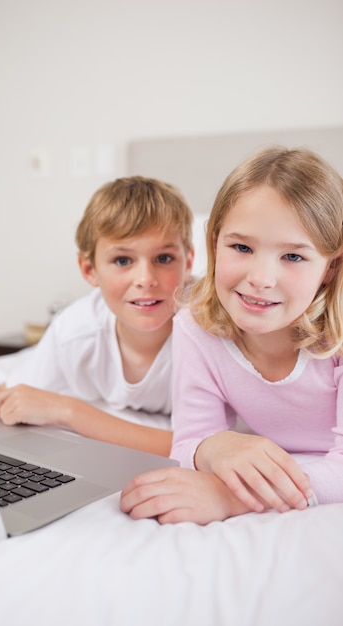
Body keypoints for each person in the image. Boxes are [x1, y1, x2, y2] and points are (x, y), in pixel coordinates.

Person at [120, 146, 343, 524]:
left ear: (329, 268)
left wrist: (232, 497)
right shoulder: (195, 328)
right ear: (213, 244)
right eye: (241, 247)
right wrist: (216, 446)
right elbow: (189, 441)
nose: (260, 279)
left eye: (293, 257)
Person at [0, 176, 194, 456]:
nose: (145, 279)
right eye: (123, 260)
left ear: (189, 262)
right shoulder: (76, 331)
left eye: (164, 258)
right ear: (89, 270)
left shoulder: (205, 331)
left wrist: (68, 411)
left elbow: (196, 448)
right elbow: (11, 395)